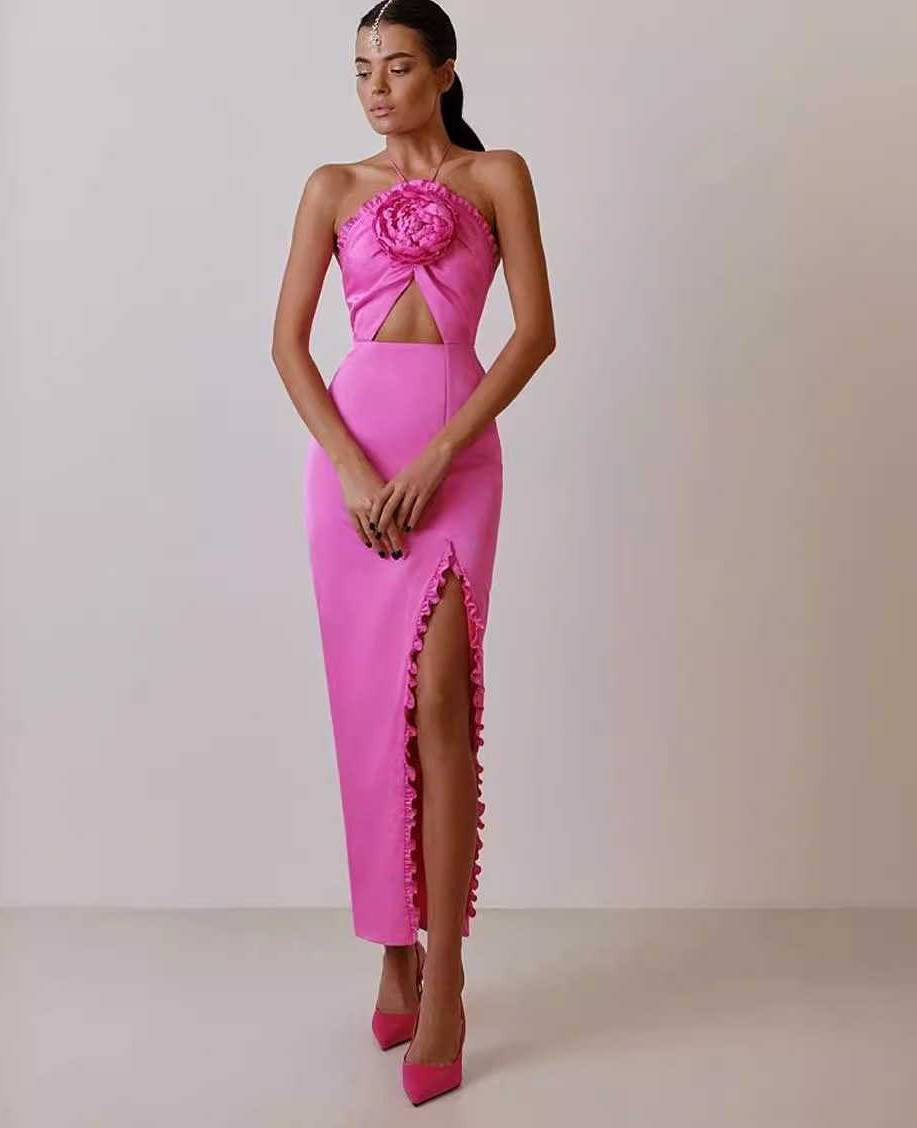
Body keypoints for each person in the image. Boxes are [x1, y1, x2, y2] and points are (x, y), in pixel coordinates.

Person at [271, 0, 555, 1105]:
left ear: (444, 72)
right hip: (354, 470)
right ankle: (393, 950)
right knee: (370, 716)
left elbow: (535, 331)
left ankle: (446, 981)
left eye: (396, 66)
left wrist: (444, 453)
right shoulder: (331, 188)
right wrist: (350, 468)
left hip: (454, 461)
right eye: (361, 70)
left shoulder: (498, 177)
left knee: (440, 706)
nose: (375, 88)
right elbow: (288, 346)